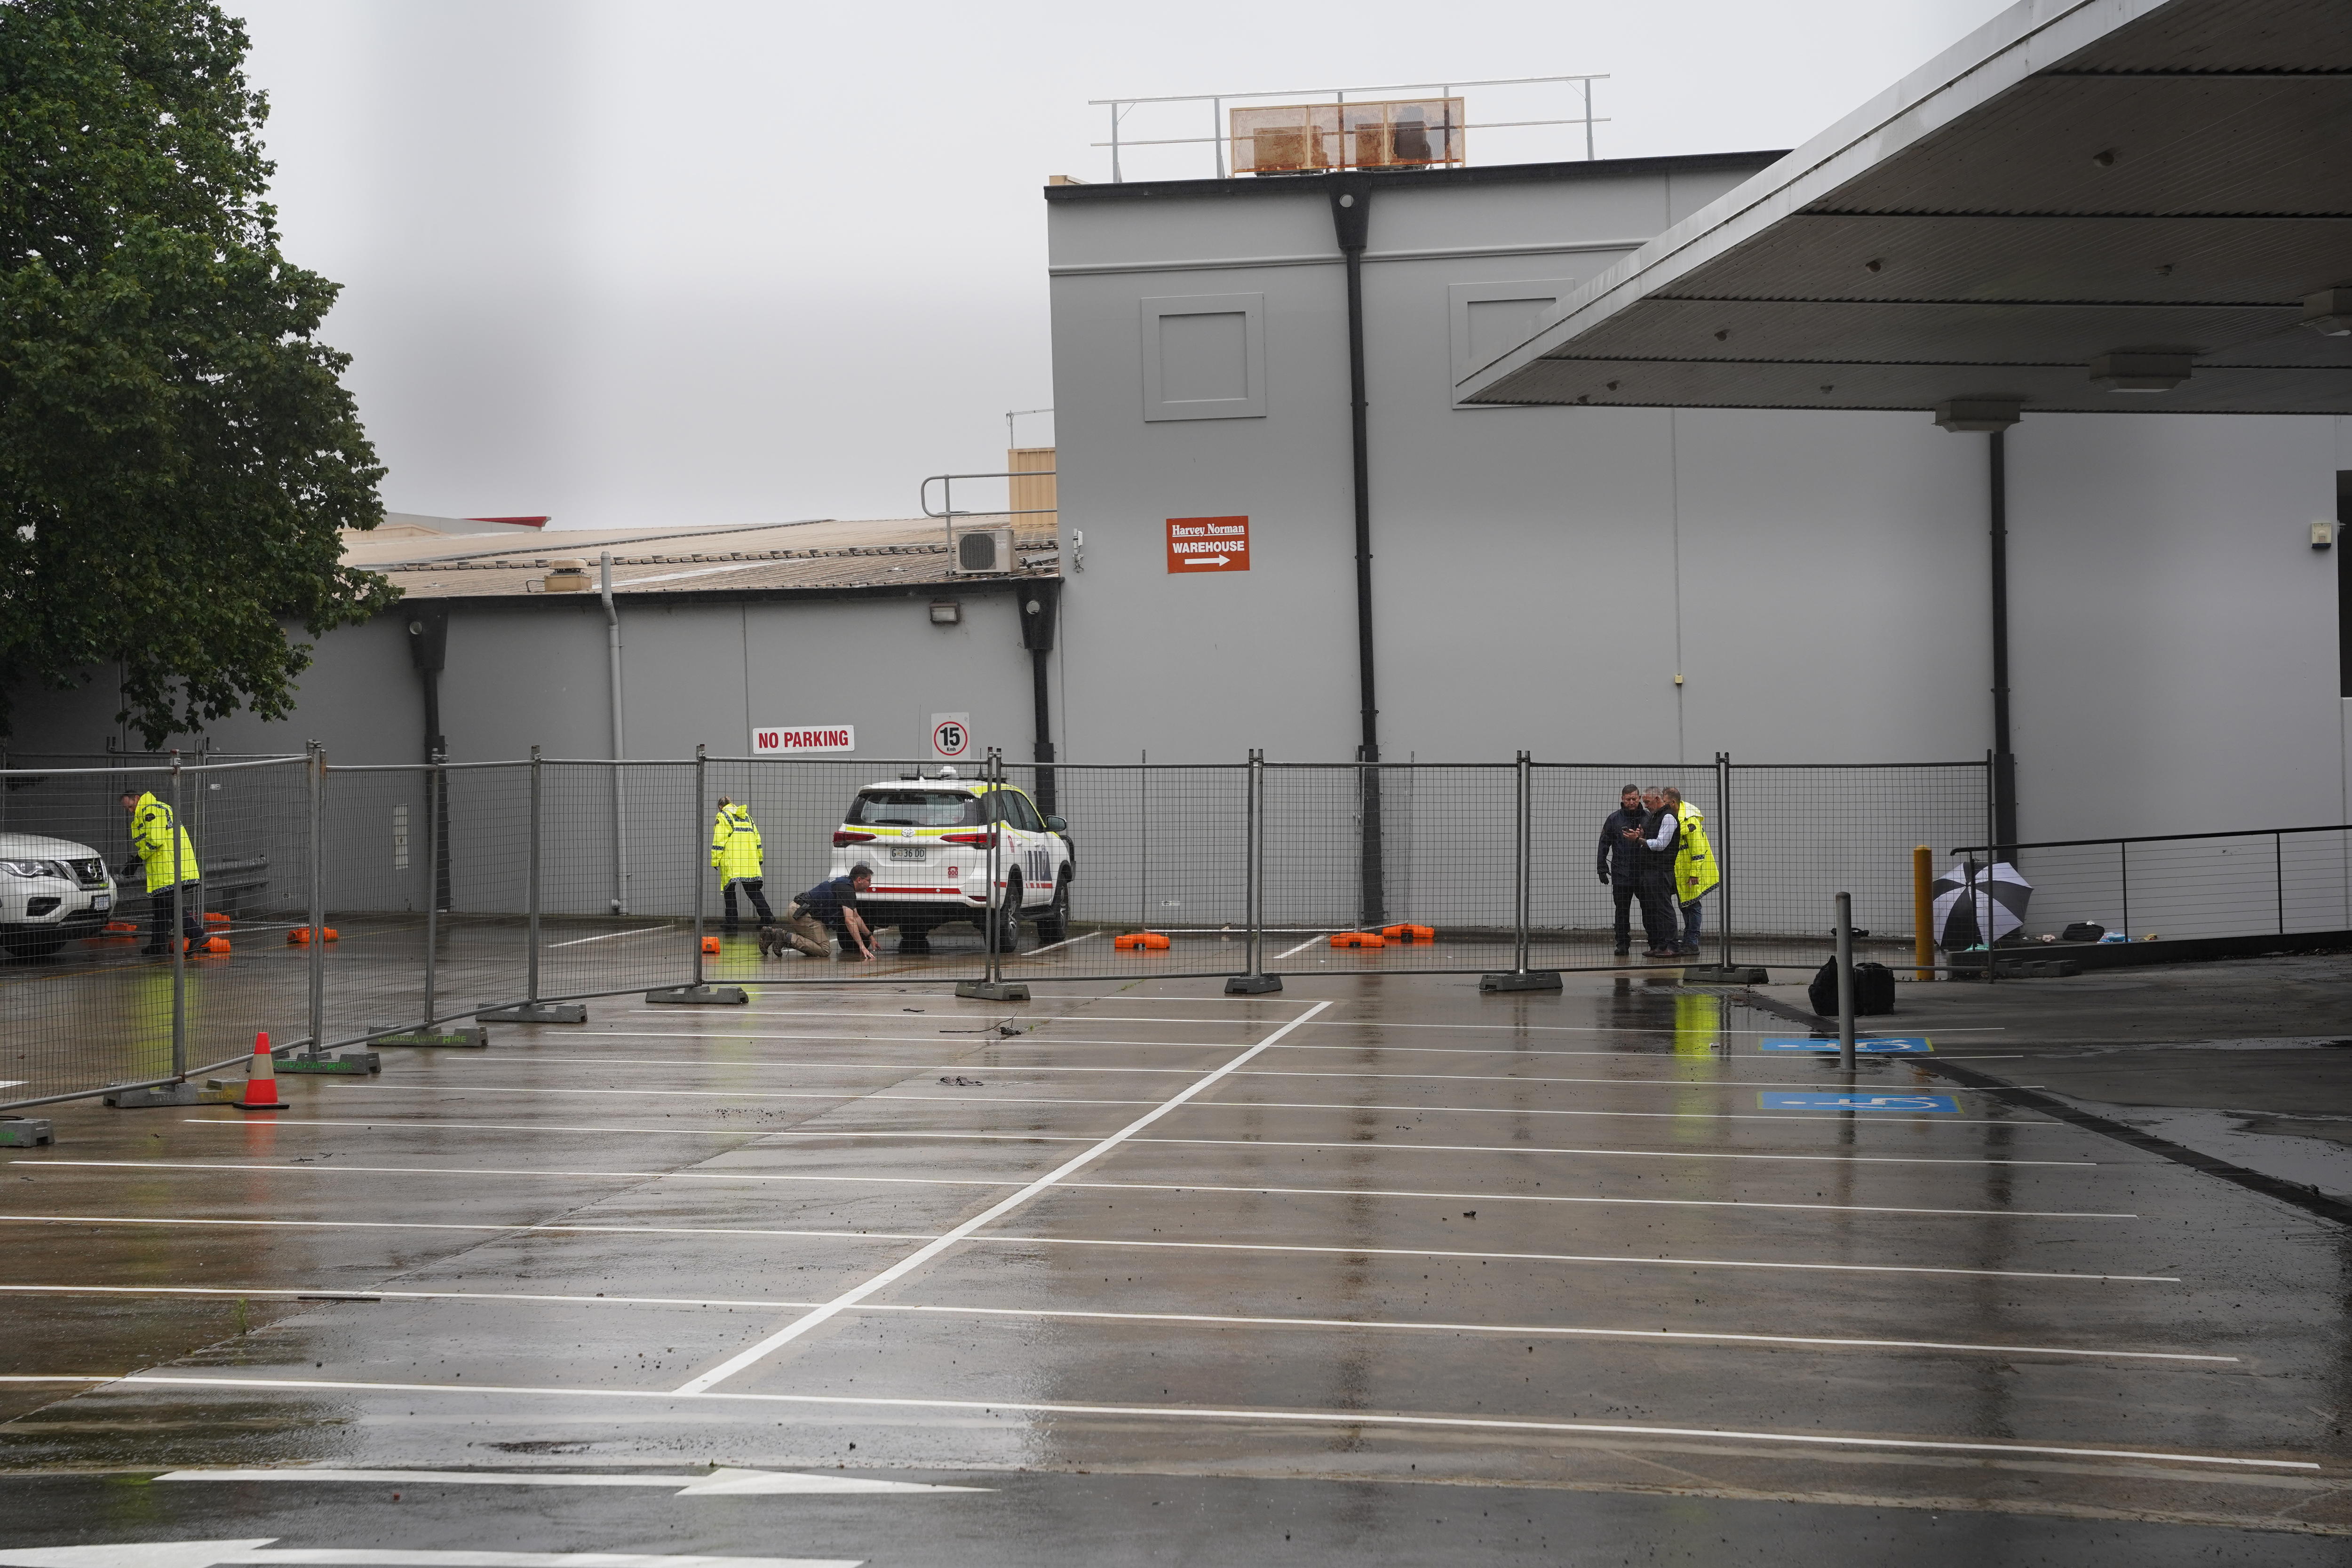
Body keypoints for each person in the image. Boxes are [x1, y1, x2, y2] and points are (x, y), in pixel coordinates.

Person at [119, 787, 203, 957]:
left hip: (169, 867)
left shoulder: (151, 810)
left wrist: (138, 859)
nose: (130, 811)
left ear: (137, 798)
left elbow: (155, 840)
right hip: (167, 866)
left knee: (168, 903)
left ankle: (196, 934)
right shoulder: (156, 809)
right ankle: (157, 946)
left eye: (130, 806)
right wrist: (139, 859)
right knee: (160, 906)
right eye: (126, 809)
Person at [1661, 784, 1719, 957]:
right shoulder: (1677, 817)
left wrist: (1694, 872)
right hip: (1682, 870)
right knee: (1686, 905)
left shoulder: (1689, 819)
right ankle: (1688, 941)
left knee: (1692, 905)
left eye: (1665, 802)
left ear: (1673, 802)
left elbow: (1697, 849)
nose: (1663, 805)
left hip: (1692, 871)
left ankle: (1692, 942)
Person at [1626, 786, 1683, 958]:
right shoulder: (1656, 817)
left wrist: (1639, 840)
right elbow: (1654, 839)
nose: (1646, 806)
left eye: (1648, 802)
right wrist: (1644, 833)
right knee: (1654, 909)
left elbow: (1661, 844)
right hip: (1651, 871)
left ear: (1658, 800)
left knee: (1664, 909)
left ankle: (1672, 946)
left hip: (1661, 871)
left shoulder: (1668, 818)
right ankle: (1660, 945)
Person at [780, 863, 877, 961]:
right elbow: (850, 921)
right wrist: (862, 946)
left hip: (799, 910)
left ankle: (776, 936)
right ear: (859, 880)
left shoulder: (845, 884)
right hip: (802, 915)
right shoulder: (847, 890)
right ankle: (783, 937)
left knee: (815, 947)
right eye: (869, 881)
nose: (870, 884)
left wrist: (870, 937)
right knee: (825, 950)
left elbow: (856, 917)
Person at [1594, 783, 1649, 956]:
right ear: (1622, 799)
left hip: (1644, 873)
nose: (1632, 802)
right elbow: (1604, 844)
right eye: (1628, 799)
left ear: (1639, 798)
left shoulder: (1648, 818)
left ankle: (1655, 942)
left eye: (1634, 799)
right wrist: (1601, 867)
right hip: (1621, 873)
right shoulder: (1614, 819)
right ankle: (1623, 944)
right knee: (1622, 911)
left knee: (1649, 909)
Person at [709, 796, 772, 936]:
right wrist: (759, 858)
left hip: (732, 860)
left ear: (720, 807)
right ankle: (767, 916)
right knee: (752, 890)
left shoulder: (723, 816)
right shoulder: (747, 817)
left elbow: (719, 840)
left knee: (729, 891)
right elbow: (757, 838)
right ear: (732, 803)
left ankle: (732, 922)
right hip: (749, 859)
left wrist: (715, 860)